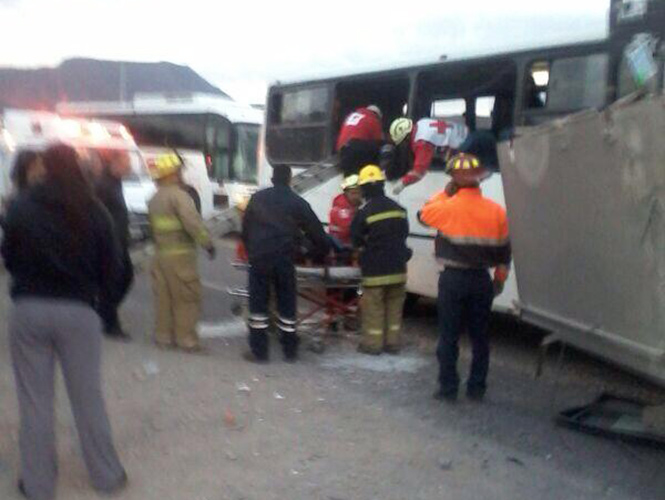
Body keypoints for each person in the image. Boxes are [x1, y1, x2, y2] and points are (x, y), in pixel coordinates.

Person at [1, 143, 127, 500]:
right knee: (88, 397)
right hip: (79, 312)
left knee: (35, 403)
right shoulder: (94, 209)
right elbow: (113, 266)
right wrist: (102, 302)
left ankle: (38, 485)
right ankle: (106, 476)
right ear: (77, 167)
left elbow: (8, 256)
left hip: (29, 310)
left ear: (45, 167)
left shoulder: (21, 206)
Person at [418, 153, 511, 402]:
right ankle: (477, 388)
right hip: (482, 281)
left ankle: (448, 389)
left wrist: (445, 194)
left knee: (448, 336)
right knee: (480, 338)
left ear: (454, 181)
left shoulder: (445, 207)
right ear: (480, 180)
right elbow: (504, 253)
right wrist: (499, 280)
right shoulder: (497, 212)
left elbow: (423, 214)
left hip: (453, 281)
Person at [242, 165, 330, 362]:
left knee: (258, 306)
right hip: (284, 259)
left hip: (260, 258)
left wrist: (252, 252)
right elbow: (318, 234)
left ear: (273, 179)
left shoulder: (257, 199)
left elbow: (245, 229)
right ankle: (290, 351)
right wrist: (317, 253)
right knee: (287, 306)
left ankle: (259, 352)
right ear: (290, 180)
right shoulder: (297, 202)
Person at [147, 152, 216, 353]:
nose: (181, 174)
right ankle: (187, 340)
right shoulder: (180, 196)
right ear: (173, 174)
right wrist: (208, 244)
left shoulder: (154, 198)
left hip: (160, 256)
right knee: (186, 298)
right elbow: (193, 224)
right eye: (178, 171)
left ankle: (163, 337)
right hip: (181, 258)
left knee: (164, 298)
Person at [351, 165, 411, 355]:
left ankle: (373, 345)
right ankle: (392, 343)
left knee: (374, 308)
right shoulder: (399, 209)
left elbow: (356, 239)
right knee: (394, 308)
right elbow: (404, 233)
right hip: (398, 268)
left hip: (375, 270)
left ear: (364, 188)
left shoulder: (364, 212)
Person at [94, 148, 134, 341]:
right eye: (127, 161)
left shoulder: (115, 182)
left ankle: (104, 315)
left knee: (124, 278)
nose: (131, 165)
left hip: (119, 240)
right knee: (114, 281)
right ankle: (109, 321)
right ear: (115, 162)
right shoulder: (103, 184)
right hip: (110, 243)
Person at [388, 117, 468, 195]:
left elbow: (419, 170)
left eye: (403, 141)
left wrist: (403, 183)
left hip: (466, 148)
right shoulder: (421, 123)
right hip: (464, 132)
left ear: (407, 136)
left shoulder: (421, 142)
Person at [336, 105, 384, 177]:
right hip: (357, 152)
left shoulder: (350, 116)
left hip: (342, 153)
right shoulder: (373, 119)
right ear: (377, 115)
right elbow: (379, 141)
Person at [328, 174, 362, 251]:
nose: (356, 196)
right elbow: (349, 229)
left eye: (358, 193)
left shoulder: (355, 206)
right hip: (342, 247)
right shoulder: (340, 210)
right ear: (346, 193)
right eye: (353, 193)